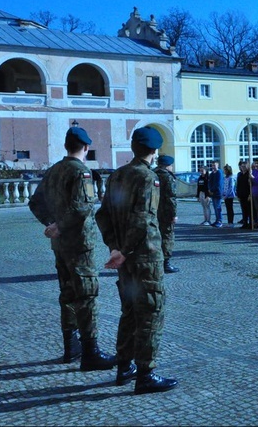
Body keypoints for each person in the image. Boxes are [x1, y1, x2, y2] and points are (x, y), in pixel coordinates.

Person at [95, 125, 178, 394]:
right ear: (154, 151)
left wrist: (115, 247)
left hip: (126, 259)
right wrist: (125, 249)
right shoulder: (147, 177)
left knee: (129, 311)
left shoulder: (117, 175)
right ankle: (146, 374)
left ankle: (124, 366)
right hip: (144, 257)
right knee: (150, 311)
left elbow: (102, 215)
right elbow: (143, 220)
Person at [28, 126, 117, 370]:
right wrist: (59, 226)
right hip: (79, 244)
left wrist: (51, 223)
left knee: (67, 294)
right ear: (86, 147)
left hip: (60, 246)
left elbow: (34, 202)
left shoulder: (54, 170)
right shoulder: (82, 173)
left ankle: (71, 347)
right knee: (86, 295)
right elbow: (83, 208)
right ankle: (91, 352)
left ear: (66, 146)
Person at [153, 155, 180, 273]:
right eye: (171, 165)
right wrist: (173, 215)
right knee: (167, 236)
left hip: (152, 211)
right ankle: (166, 263)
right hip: (165, 212)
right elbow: (171, 198)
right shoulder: (168, 177)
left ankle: (155, 262)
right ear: (167, 165)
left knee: (154, 236)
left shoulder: (152, 174)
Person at [208, 160, 224, 227]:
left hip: (217, 192)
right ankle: (217, 220)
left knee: (218, 207)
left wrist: (212, 189)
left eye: (214, 165)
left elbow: (218, 183)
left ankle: (220, 221)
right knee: (215, 207)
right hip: (213, 193)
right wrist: (209, 189)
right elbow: (209, 182)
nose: (213, 166)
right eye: (212, 165)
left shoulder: (219, 173)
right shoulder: (212, 173)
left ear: (218, 165)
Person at [236, 160, 251, 228]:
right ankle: (245, 223)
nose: (243, 168)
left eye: (245, 166)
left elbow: (250, 185)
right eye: (242, 166)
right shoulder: (240, 175)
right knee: (243, 210)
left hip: (247, 195)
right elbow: (238, 185)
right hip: (241, 195)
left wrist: (250, 195)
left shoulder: (249, 174)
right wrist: (238, 195)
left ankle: (251, 223)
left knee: (249, 210)